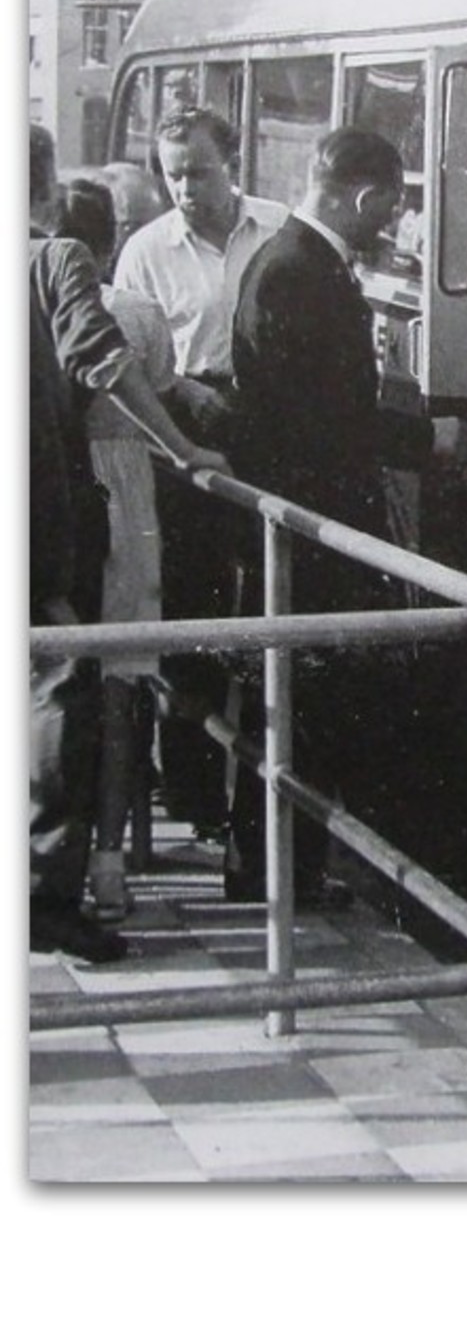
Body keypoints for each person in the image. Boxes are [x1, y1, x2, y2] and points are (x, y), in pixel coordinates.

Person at [225, 127, 467, 903]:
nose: (388, 228)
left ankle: (278, 871)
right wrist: (428, 439)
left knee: (299, 700)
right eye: (388, 210)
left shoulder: (293, 261)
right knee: (305, 700)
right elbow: (326, 420)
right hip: (314, 521)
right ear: (364, 197)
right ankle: (277, 878)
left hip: (307, 515)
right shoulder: (302, 273)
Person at [28, 125, 226, 962]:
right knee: (58, 687)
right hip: (33, 516)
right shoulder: (54, 259)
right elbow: (100, 360)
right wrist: (183, 449)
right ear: (41, 183)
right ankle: (45, 899)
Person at [114, 105, 289, 842]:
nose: (185, 187)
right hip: (186, 446)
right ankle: (192, 794)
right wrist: (189, 403)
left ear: (234, 164)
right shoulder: (145, 253)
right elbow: (136, 367)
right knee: (194, 617)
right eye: (172, 173)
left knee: (271, 614)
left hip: (266, 435)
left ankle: (263, 793)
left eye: (200, 171)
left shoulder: (278, 231)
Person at [55, 176, 177, 923]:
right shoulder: (138, 314)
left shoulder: (34, 306)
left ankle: (49, 849)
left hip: (56, 489)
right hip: (127, 495)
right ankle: (110, 861)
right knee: (122, 679)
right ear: (107, 246)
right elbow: (158, 391)